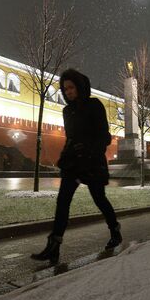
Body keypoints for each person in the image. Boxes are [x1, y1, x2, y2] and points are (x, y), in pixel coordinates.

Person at [31, 68, 121, 264]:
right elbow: (70, 137)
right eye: (65, 89)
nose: (68, 92)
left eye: (71, 87)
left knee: (99, 199)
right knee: (63, 201)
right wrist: (67, 155)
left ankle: (115, 229)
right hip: (73, 161)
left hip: (92, 160)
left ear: (79, 86)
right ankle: (54, 245)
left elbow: (104, 137)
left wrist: (88, 151)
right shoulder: (67, 111)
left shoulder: (94, 105)